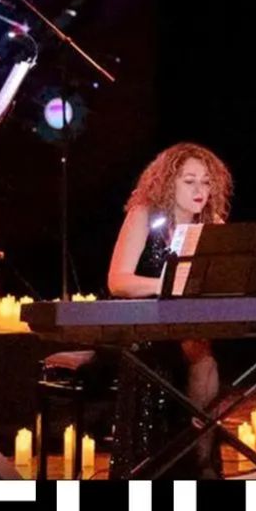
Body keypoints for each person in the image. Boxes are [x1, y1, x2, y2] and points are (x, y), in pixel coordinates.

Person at [105, 142, 235, 478]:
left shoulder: (212, 224)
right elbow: (118, 281)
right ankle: (169, 466)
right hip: (144, 330)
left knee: (204, 356)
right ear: (168, 183)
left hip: (190, 328)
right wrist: (166, 284)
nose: (199, 190)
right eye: (189, 181)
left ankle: (202, 462)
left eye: (206, 182)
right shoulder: (144, 216)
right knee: (181, 356)